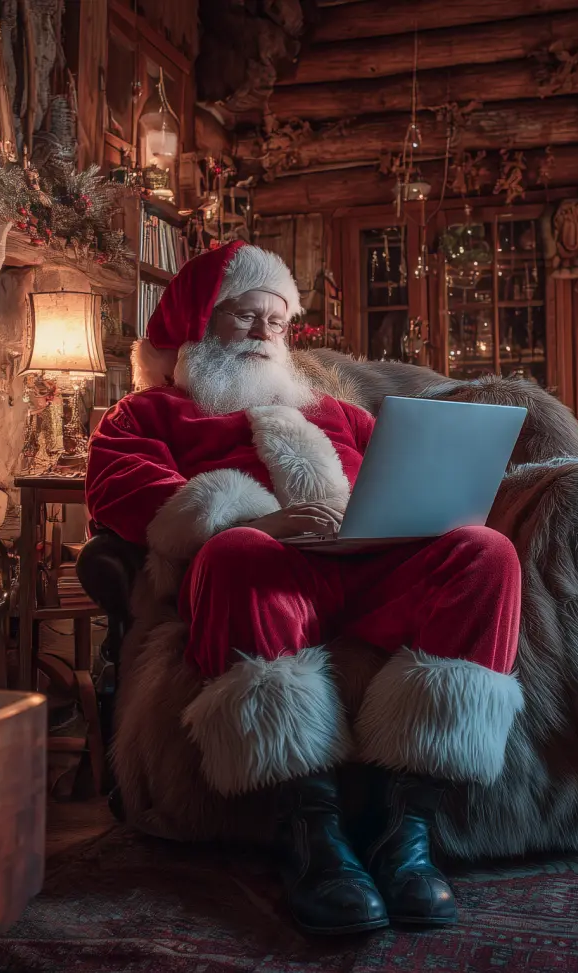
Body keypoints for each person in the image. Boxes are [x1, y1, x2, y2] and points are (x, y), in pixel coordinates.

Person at [84, 241, 524, 935]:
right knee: (234, 552)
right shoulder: (146, 414)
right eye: (245, 316)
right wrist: (265, 517)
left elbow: (405, 472)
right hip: (268, 573)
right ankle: (311, 835)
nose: (264, 334)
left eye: (278, 321)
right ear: (200, 322)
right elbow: (123, 490)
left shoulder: (339, 414)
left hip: (373, 571)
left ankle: (405, 830)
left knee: (487, 552)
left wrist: (422, 510)